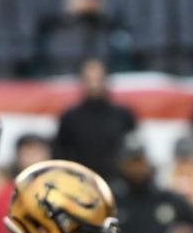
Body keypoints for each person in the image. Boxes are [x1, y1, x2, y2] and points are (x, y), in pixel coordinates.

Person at [53, 58, 136, 186]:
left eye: (98, 79)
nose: (94, 85)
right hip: (80, 184)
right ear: (82, 81)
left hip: (117, 184)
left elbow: (132, 150)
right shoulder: (70, 117)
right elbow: (61, 154)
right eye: (89, 79)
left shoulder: (123, 115)